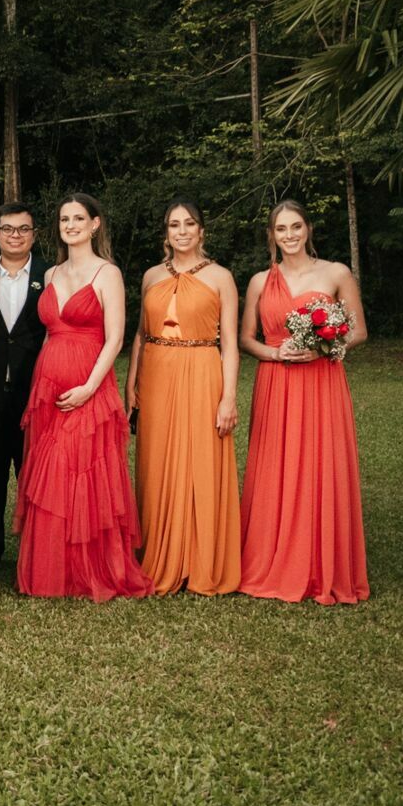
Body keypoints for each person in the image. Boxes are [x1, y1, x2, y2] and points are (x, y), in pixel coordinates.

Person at [14, 194, 151, 601]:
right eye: (64, 219)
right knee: (50, 471)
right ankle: (52, 566)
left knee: (82, 469)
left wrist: (90, 387)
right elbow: (46, 332)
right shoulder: (51, 273)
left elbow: (115, 339)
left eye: (78, 218)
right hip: (49, 383)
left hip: (89, 383)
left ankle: (89, 566)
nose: (70, 225)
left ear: (95, 224)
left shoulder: (107, 273)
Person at [239, 200, 369, 604]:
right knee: (275, 466)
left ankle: (319, 564)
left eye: (296, 227)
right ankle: (272, 559)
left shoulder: (336, 273)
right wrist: (275, 353)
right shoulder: (260, 281)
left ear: (308, 228)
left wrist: (323, 348)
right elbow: (245, 338)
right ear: (271, 235)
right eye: (281, 229)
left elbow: (359, 332)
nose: (290, 235)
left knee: (319, 463)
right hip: (276, 382)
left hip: (321, 382)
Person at [125, 200, 242, 597]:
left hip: (202, 370)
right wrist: (131, 384)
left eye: (189, 224)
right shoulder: (151, 275)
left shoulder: (221, 277)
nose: (182, 231)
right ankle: (158, 552)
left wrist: (228, 398)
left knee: (200, 460)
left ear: (201, 230)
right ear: (166, 233)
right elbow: (140, 334)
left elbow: (230, 344)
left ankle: (199, 559)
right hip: (156, 372)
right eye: (174, 225)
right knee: (156, 461)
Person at [0, 202, 47, 567]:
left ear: (34, 234)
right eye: (8, 228)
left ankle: (36, 548)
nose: (15, 235)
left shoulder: (51, 275)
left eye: (23, 229)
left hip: (34, 390)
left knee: (34, 473)